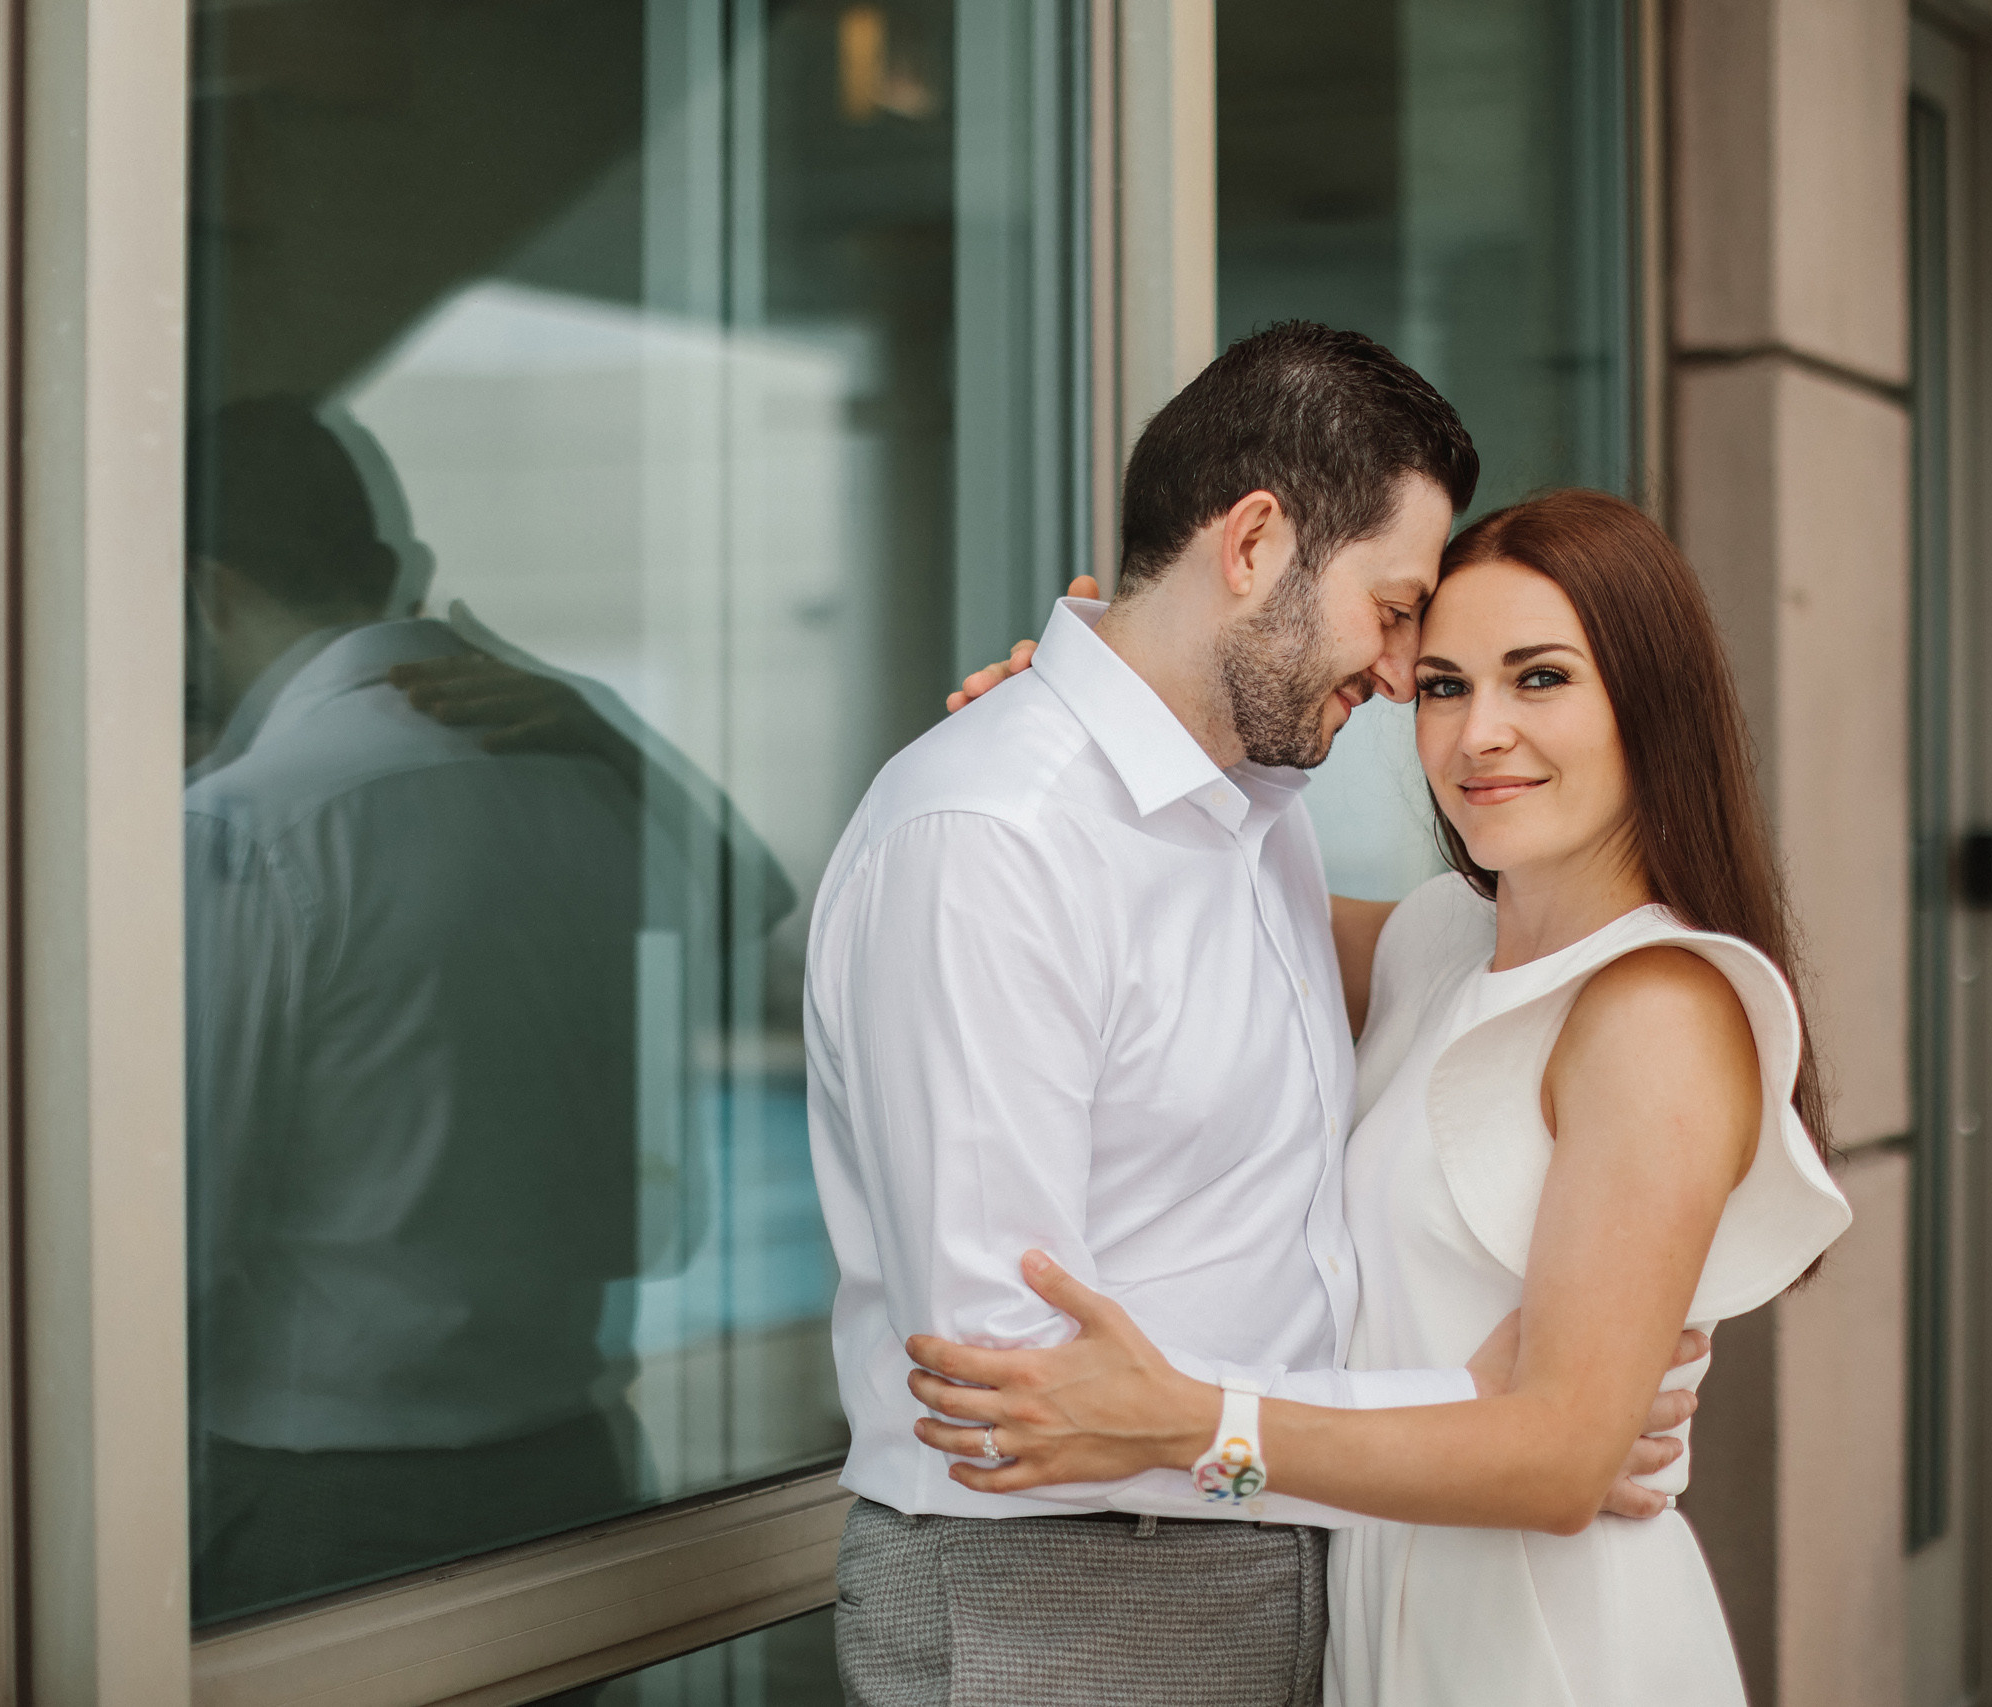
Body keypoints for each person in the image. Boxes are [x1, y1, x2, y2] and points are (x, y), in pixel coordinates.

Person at [804, 324, 1705, 1707]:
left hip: (1308, 1577)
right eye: (1403, 618)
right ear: (1254, 542)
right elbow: (1014, 1393)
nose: (1411, 679)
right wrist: (1470, 1414)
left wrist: (1568, 1395)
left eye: (1529, 675)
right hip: (1070, 1604)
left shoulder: (1254, 822)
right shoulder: (994, 835)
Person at [908, 488, 1849, 1704]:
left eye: (1541, 678)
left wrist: (1188, 1425)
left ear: (1648, 705)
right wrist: (1077, 730)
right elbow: (1191, 870)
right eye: (1447, 686)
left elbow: (1563, 1463)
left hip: (1547, 1648)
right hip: (1399, 1623)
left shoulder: (1654, 1011)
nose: (1479, 736)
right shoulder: (1444, 944)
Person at [180, 397, 793, 1624]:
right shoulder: (578, 772)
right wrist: (616, 736)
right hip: (578, 1468)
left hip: (327, 1507)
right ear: (397, 576)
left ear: (202, 592)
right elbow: (752, 900)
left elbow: (174, 1234)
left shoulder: (246, 824)